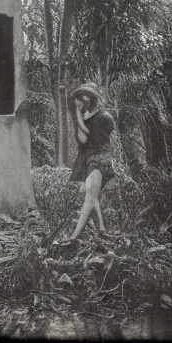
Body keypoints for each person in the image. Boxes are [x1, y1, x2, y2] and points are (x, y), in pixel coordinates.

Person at [57, 83, 116, 244]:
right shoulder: (86, 117)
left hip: (99, 159)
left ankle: (74, 236)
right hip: (89, 158)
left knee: (90, 197)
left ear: (92, 98)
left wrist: (80, 118)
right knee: (92, 196)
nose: (81, 100)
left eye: (84, 97)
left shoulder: (103, 117)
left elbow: (93, 138)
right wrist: (78, 115)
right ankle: (101, 229)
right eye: (79, 97)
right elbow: (83, 140)